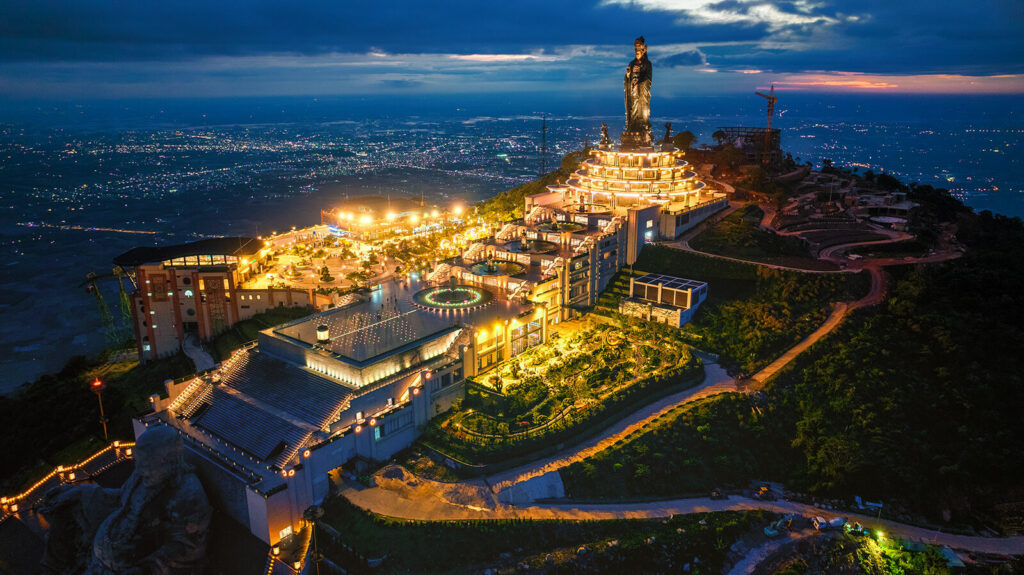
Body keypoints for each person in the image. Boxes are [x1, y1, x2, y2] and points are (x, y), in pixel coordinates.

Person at [624, 36, 652, 142]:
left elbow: (648, 78)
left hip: (641, 93)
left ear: (644, 49)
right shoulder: (632, 64)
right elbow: (627, 79)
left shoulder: (647, 64)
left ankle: (642, 128)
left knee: (641, 110)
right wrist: (628, 75)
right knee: (632, 110)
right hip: (632, 92)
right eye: (635, 48)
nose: (637, 51)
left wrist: (639, 81)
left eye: (639, 48)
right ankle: (632, 126)